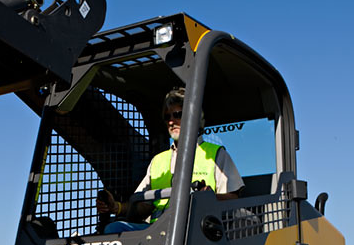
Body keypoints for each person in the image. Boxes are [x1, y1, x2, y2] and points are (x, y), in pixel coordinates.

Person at [97, 87, 244, 233]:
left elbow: (233, 198)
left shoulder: (216, 154)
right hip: (156, 230)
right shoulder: (158, 161)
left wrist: (209, 197)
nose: (171, 121)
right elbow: (144, 205)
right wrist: (116, 207)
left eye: (178, 115)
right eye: (167, 117)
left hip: (195, 230)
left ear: (193, 116)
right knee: (114, 229)